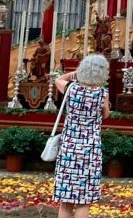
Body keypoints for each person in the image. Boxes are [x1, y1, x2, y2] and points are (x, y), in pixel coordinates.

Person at [53, 54, 111, 218]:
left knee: (65, 200)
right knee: (83, 200)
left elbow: (58, 80)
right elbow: (105, 115)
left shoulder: (71, 88)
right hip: (90, 150)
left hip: (69, 147)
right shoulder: (102, 93)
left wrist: (73, 74)